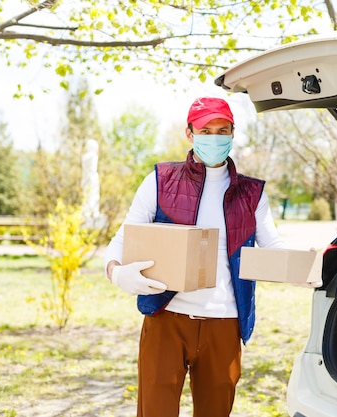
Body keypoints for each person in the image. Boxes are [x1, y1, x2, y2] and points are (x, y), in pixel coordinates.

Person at [104, 97, 285, 417]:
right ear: (189, 133)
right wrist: (118, 273)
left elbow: (274, 248)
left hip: (224, 324)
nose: (215, 138)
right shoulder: (160, 181)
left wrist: (306, 265)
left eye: (222, 130)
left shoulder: (252, 194)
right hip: (166, 319)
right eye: (206, 130)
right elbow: (123, 239)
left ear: (233, 133)